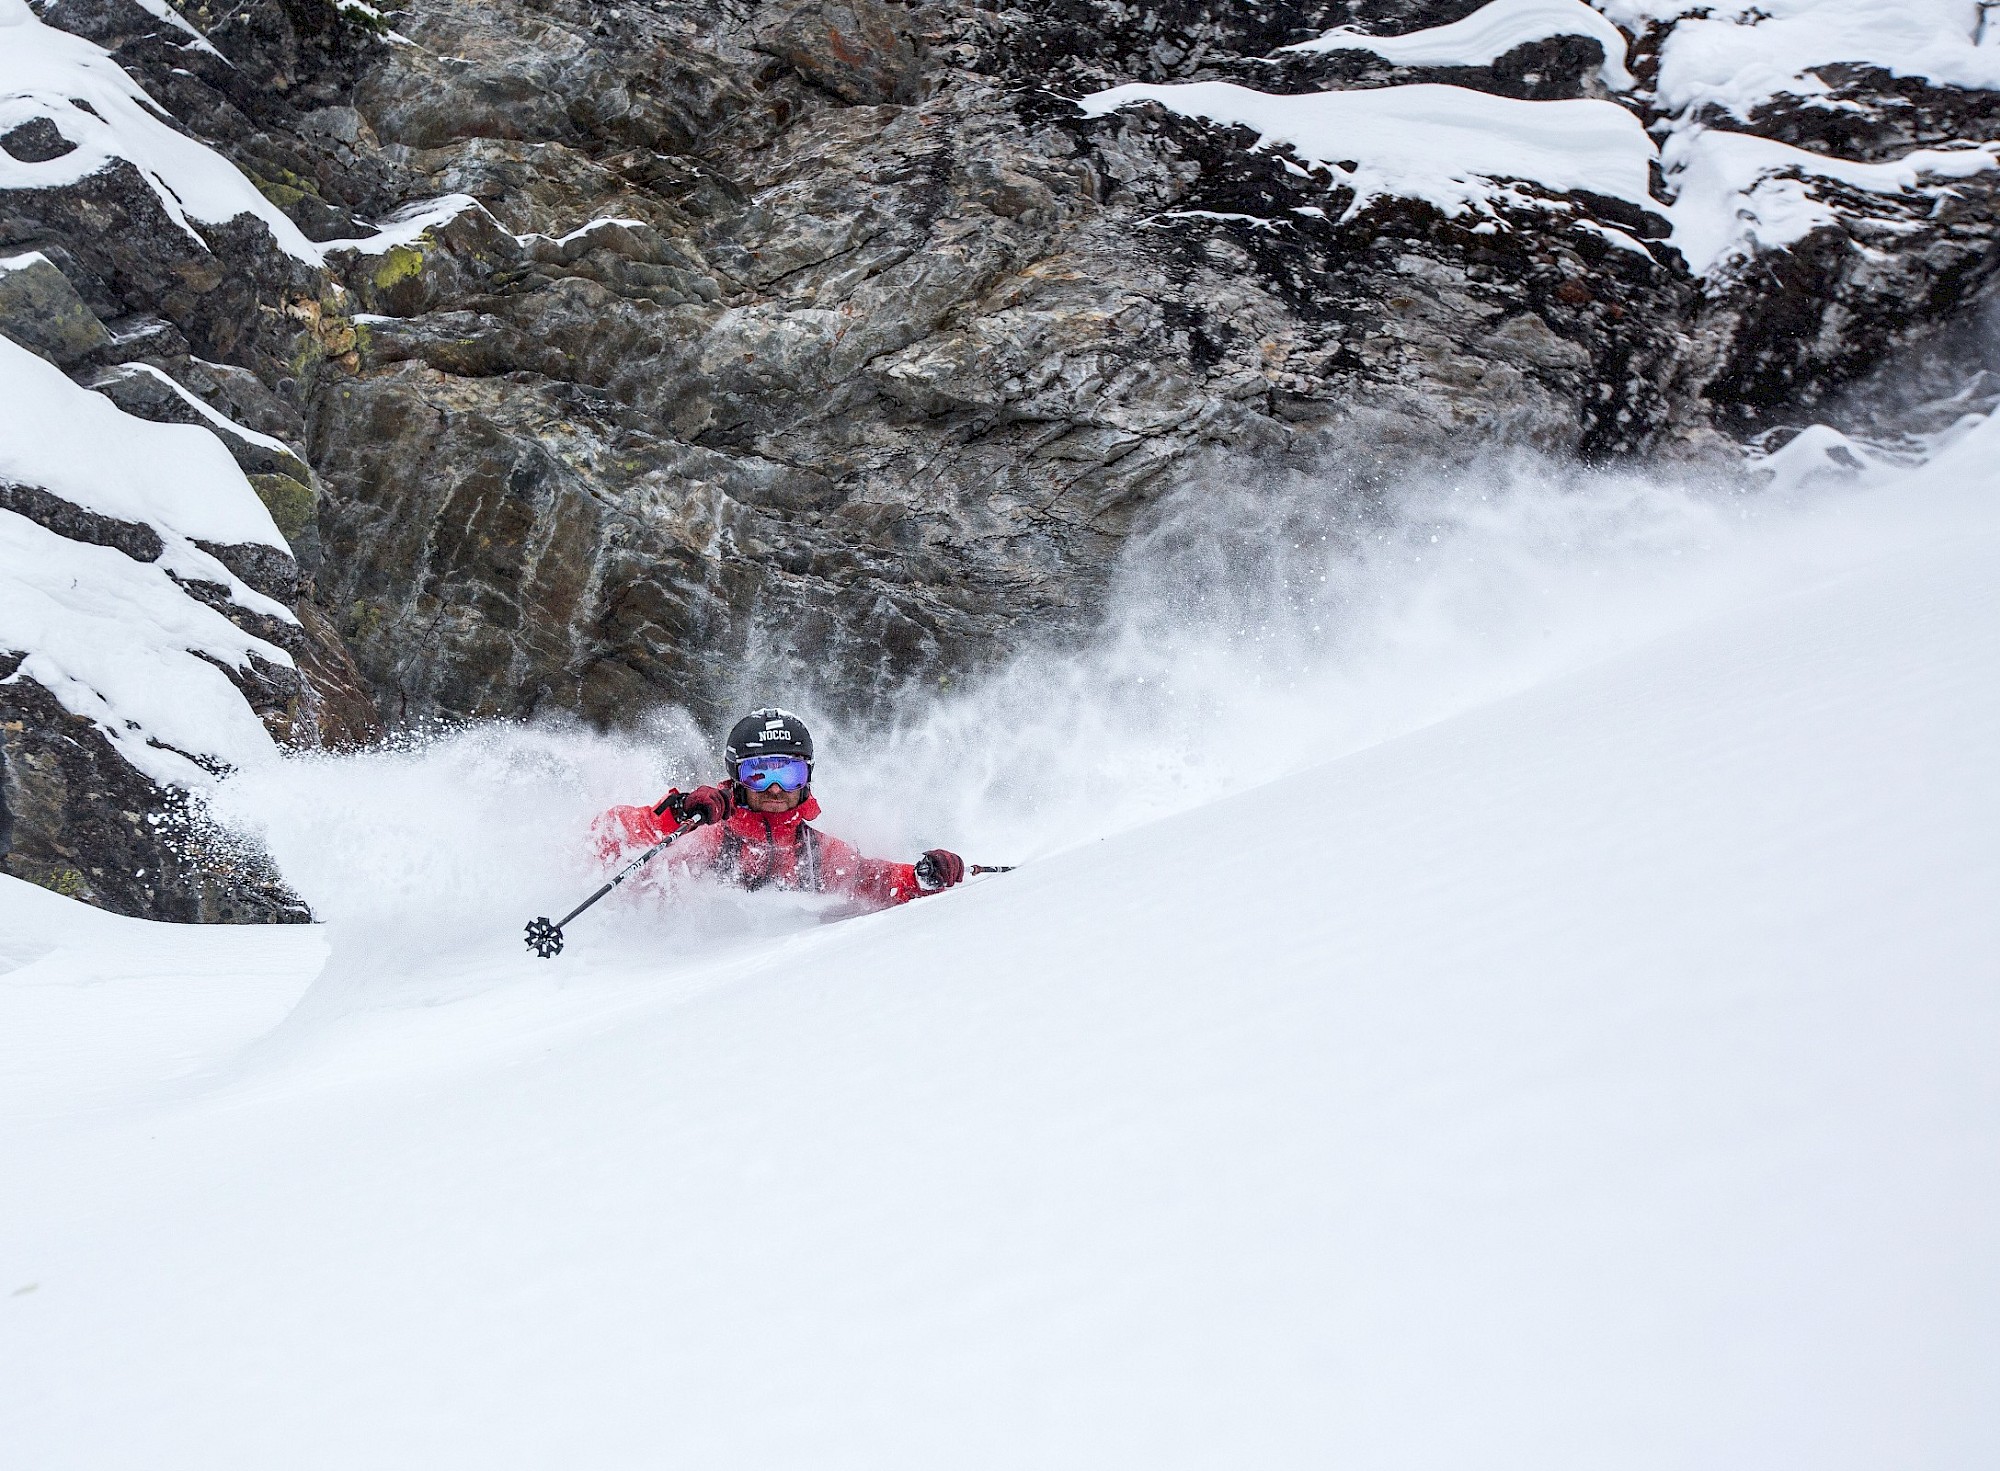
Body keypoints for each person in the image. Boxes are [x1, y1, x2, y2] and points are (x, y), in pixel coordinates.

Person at [593, 707, 965, 910]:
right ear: (736, 777)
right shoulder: (707, 832)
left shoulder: (813, 851)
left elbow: (868, 879)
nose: (774, 789)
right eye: (759, 774)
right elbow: (610, 837)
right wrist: (677, 809)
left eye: (789, 773)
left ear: (807, 777)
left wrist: (921, 877)